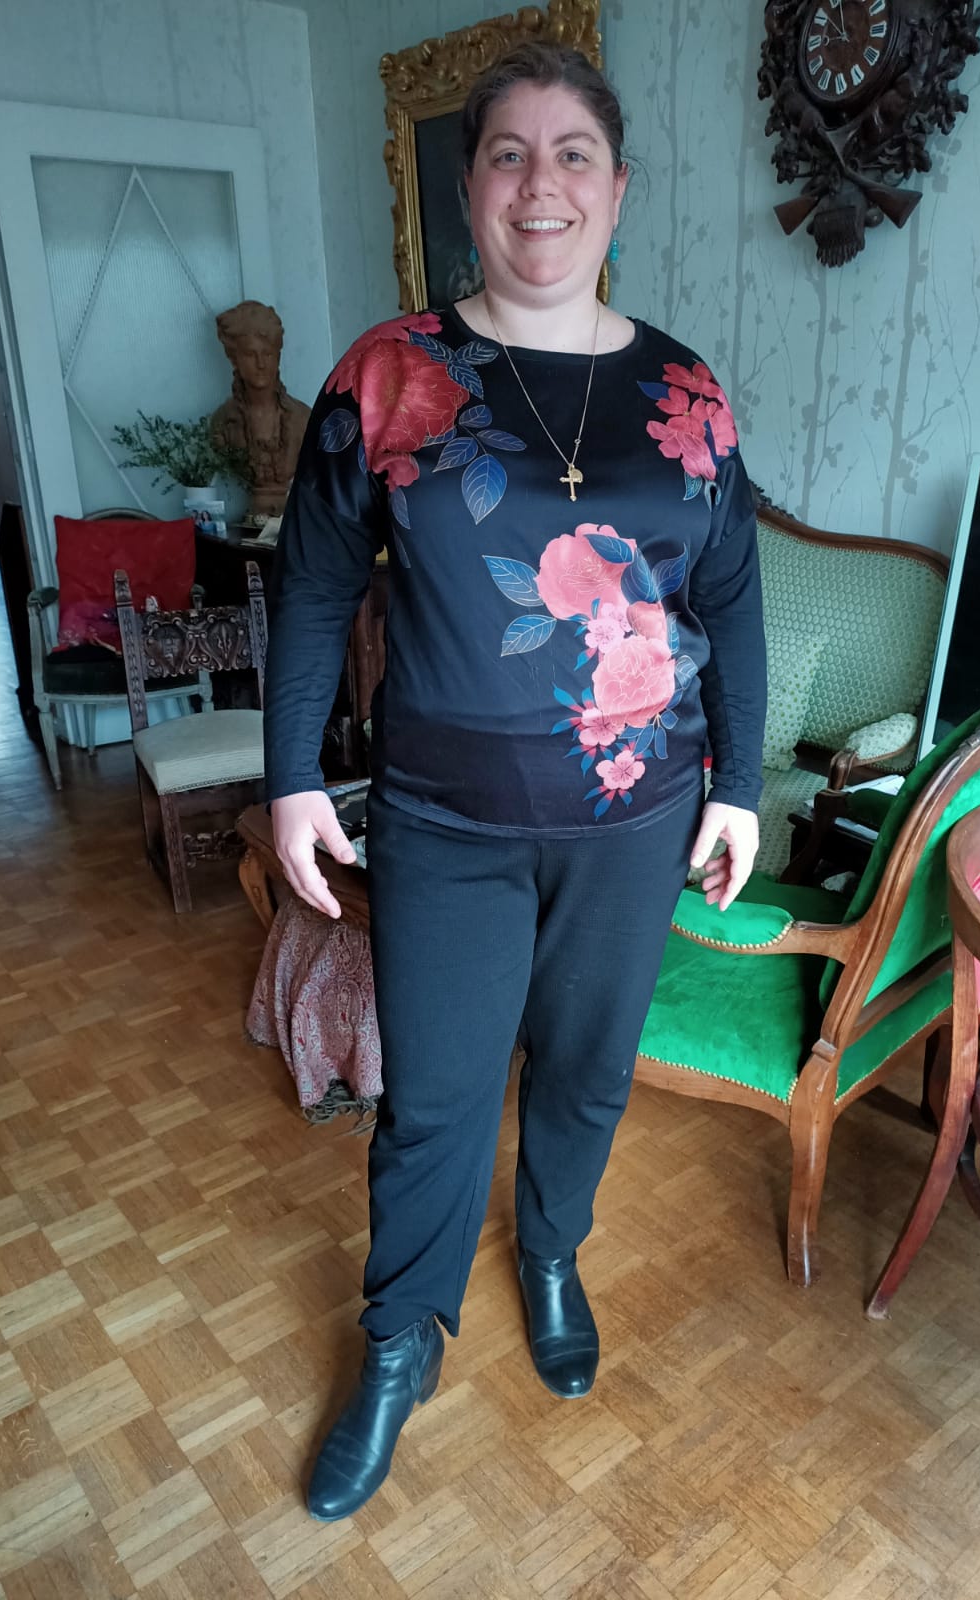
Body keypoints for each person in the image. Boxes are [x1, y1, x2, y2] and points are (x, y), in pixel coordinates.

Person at [265, 41, 766, 1522]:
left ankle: (550, 1251)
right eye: (507, 154)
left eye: (572, 155)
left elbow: (730, 595)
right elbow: (311, 585)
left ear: (618, 189)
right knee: (432, 1096)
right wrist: (293, 774)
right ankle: (401, 1338)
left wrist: (740, 781)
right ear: (468, 188)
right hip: (445, 821)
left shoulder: (687, 388)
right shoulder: (388, 375)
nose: (539, 185)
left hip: (637, 816)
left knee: (589, 1070)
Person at [210, 299, 310, 516]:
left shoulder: (303, 418)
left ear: (278, 356)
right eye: (250, 354)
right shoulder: (223, 422)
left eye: (268, 354)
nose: (261, 364)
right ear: (234, 359)